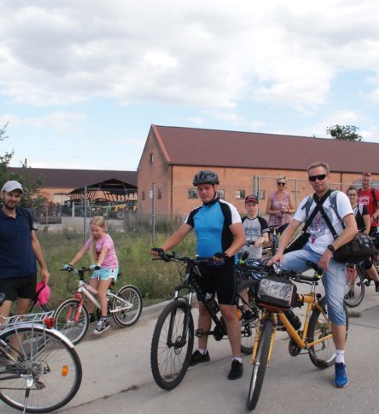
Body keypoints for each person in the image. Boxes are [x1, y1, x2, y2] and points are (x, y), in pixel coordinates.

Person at [150, 170, 246, 380]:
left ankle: (237, 359)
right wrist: (162, 248)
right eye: (200, 189)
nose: (203, 192)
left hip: (224, 265)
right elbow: (179, 234)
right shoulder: (195, 213)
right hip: (203, 265)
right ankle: (202, 351)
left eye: (207, 188)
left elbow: (240, 238)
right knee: (203, 308)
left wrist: (227, 253)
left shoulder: (227, 209)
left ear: (214, 188)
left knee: (228, 312)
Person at [268, 162, 357, 388]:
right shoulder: (308, 202)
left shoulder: (339, 198)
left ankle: (339, 360)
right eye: (312, 178)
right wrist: (279, 253)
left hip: (334, 258)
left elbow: (352, 229)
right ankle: (291, 314)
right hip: (309, 252)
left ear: (328, 176)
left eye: (321, 177)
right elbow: (291, 228)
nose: (317, 181)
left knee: (335, 306)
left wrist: (330, 250)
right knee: (270, 271)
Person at [0, 180, 49, 326]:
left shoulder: (25, 215)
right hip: (8, 277)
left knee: (21, 321)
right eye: (10, 195)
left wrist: (44, 267)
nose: (13, 199)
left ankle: (15, 350)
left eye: (17, 196)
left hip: (29, 274)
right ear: (2, 194)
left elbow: (34, 241)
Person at [64, 215, 119, 334]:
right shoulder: (92, 240)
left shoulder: (107, 239)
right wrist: (70, 264)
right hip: (99, 268)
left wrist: (98, 263)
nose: (94, 233)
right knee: (89, 292)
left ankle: (104, 320)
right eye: (92, 230)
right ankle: (90, 316)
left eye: (97, 230)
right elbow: (82, 252)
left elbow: (104, 253)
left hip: (110, 267)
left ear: (104, 228)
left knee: (100, 293)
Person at [346, 186, 379, 294]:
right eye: (349, 194)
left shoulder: (362, 208)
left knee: (365, 261)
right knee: (349, 264)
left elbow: (367, 224)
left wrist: (364, 236)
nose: (351, 197)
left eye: (354, 194)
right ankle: (351, 289)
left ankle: (377, 281)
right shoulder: (344, 208)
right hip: (348, 238)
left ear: (357, 196)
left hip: (359, 238)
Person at [239, 195, 270, 260]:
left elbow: (267, 239)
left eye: (254, 205)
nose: (251, 208)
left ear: (258, 206)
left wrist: (262, 238)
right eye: (249, 205)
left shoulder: (262, 221)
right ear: (245, 206)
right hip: (241, 254)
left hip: (256, 255)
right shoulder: (241, 221)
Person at [357, 171, 379, 236]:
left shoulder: (375, 192)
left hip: (372, 224)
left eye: (367, 181)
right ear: (361, 180)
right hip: (360, 224)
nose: (366, 182)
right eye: (364, 180)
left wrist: (373, 217)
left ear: (370, 181)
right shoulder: (357, 193)